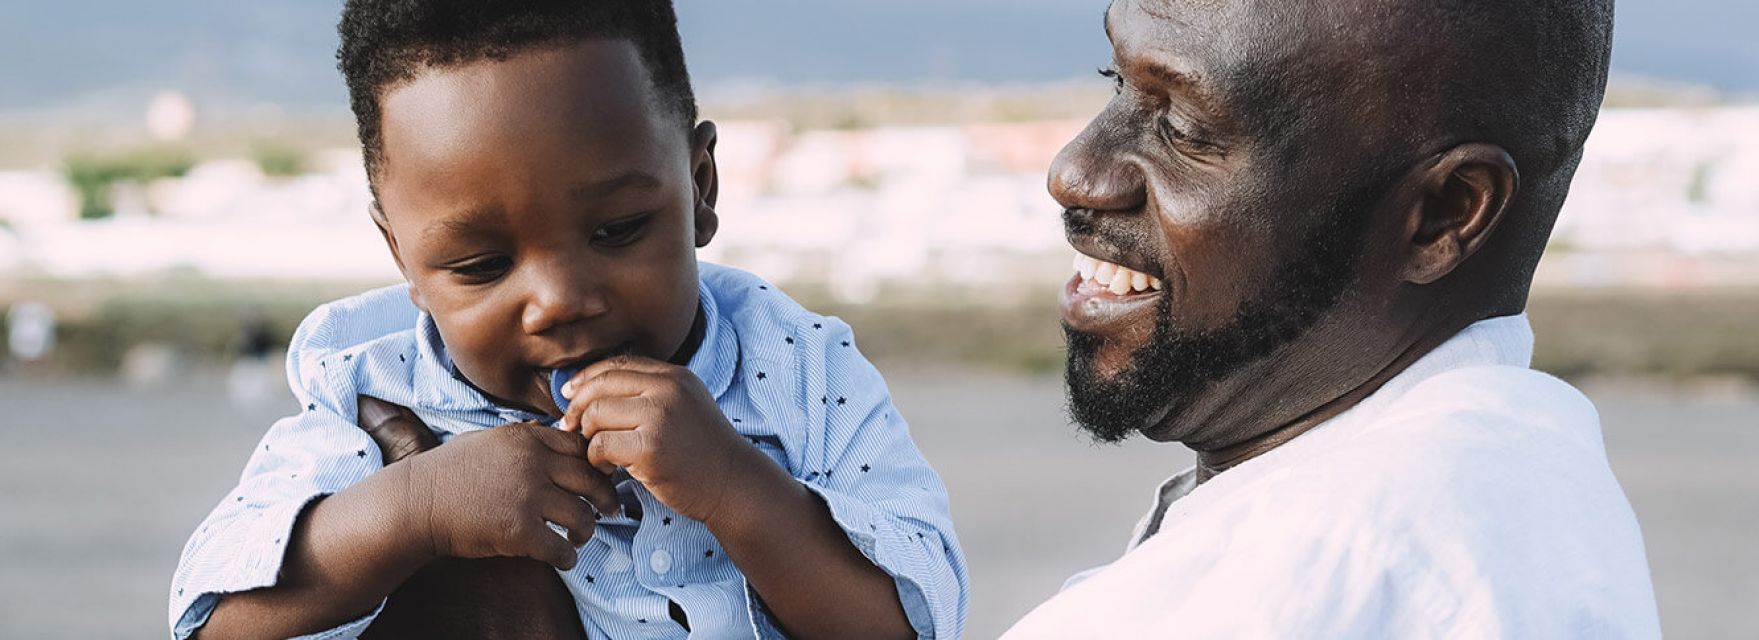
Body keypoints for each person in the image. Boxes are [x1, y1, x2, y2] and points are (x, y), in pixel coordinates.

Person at [167, 2, 966, 638]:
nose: (558, 300)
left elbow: (914, 620)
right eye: (480, 265)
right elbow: (215, 620)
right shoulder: (368, 397)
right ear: (402, 258)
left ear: (701, 186)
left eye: (617, 229)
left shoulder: (799, 367)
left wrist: (734, 486)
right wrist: (414, 510)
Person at [1005, 0, 1660, 637]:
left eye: (1184, 129)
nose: (1074, 172)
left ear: (1444, 214)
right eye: (1116, 81)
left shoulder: (1307, 577)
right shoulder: (1529, 492)